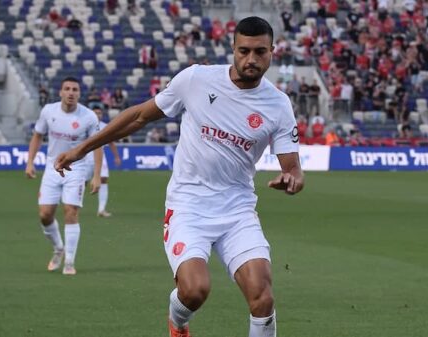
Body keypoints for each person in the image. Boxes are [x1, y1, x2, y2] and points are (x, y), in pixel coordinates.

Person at [54, 17, 304, 337]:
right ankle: (178, 323)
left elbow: (292, 168)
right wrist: (82, 149)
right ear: (232, 49)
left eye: (259, 52)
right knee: (195, 290)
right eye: (243, 51)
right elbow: (140, 116)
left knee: (263, 297)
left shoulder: (278, 105)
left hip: (237, 208)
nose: (251, 59)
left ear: (272, 52)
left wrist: (293, 179)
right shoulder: (196, 80)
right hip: (189, 204)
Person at [25, 77, 102, 276]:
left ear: (79, 93)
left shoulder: (89, 117)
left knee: (71, 211)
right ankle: (58, 248)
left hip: (76, 168)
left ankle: (69, 261)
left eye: (75, 89)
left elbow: (97, 144)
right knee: (45, 215)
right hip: (52, 168)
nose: (70, 93)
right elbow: (37, 135)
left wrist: (96, 175)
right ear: (60, 92)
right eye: (67, 89)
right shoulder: (48, 111)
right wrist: (30, 162)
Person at [86, 107, 122, 217]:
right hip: (86, 155)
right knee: (82, 181)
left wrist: (116, 157)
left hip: (101, 155)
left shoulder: (105, 126)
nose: (98, 115)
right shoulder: (86, 124)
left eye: (99, 113)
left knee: (104, 179)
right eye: (96, 113)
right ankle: (71, 203)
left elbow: (111, 142)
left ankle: (101, 209)